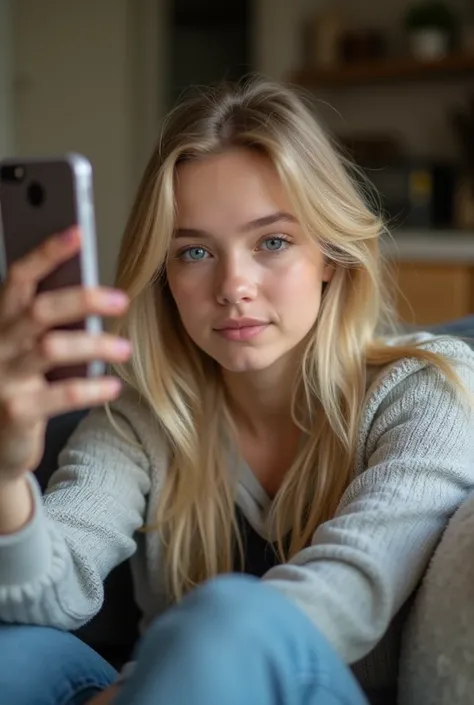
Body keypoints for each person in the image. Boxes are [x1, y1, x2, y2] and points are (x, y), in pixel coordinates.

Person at [0, 77, 473, 705]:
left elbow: (347, 594)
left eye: (272, 242)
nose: (233, 285)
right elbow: (52, 591)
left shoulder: (427, 389)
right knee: (17, 656)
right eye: (194, 252)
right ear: (163, 274)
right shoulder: (142, 415)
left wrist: (144, 685)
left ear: (329, 253)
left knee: (229, 615)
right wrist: (6, 476)